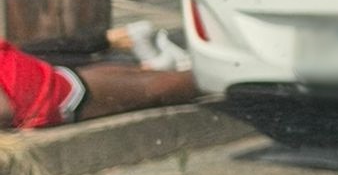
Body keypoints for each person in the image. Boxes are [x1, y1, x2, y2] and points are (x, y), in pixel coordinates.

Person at [0, 24, 196, 132]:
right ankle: (211, 76)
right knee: (150, 87)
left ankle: (197, 73)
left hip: (46, 86)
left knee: (145, 84)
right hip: (47, 91)